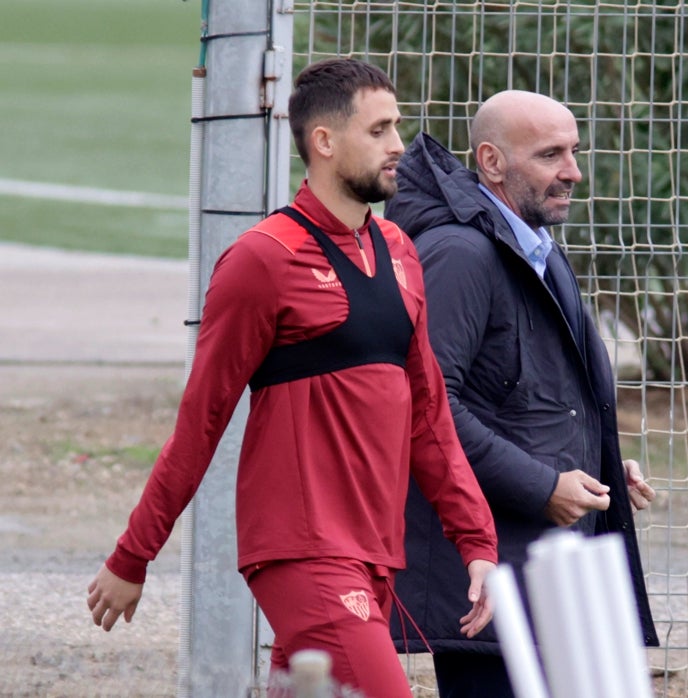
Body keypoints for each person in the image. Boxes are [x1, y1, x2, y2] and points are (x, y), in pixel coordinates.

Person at [85, 58, 499, 698]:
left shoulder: (399, 252)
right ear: (324, 142)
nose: (399, 146)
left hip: (375, 556)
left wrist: (475, 538)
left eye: (398, 126)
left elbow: (428, 416)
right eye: (381, 129)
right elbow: (202, 421)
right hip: (303, 554)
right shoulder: (262, 259)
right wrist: (133, 556)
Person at [384, 90, 659, 696]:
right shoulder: (460, 254)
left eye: (574, 152)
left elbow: (526, 399)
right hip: (493, 579)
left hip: (544, 567)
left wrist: (594, 462)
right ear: (491, 161)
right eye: (550, 154)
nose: (573, 172)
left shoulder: (537, 248)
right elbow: (427, 405)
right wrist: (543, 486)